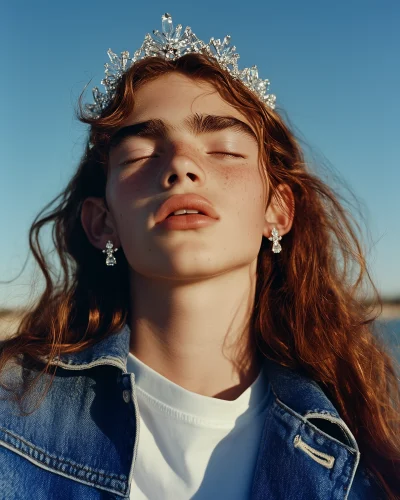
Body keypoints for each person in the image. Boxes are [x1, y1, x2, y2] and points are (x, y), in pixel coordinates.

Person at [0, 13, 399, 500]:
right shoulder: (9, 415)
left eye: (224, 149)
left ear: (277, 209)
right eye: (142, 154)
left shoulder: (367, 467)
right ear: (102, 222)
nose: (181, 166)